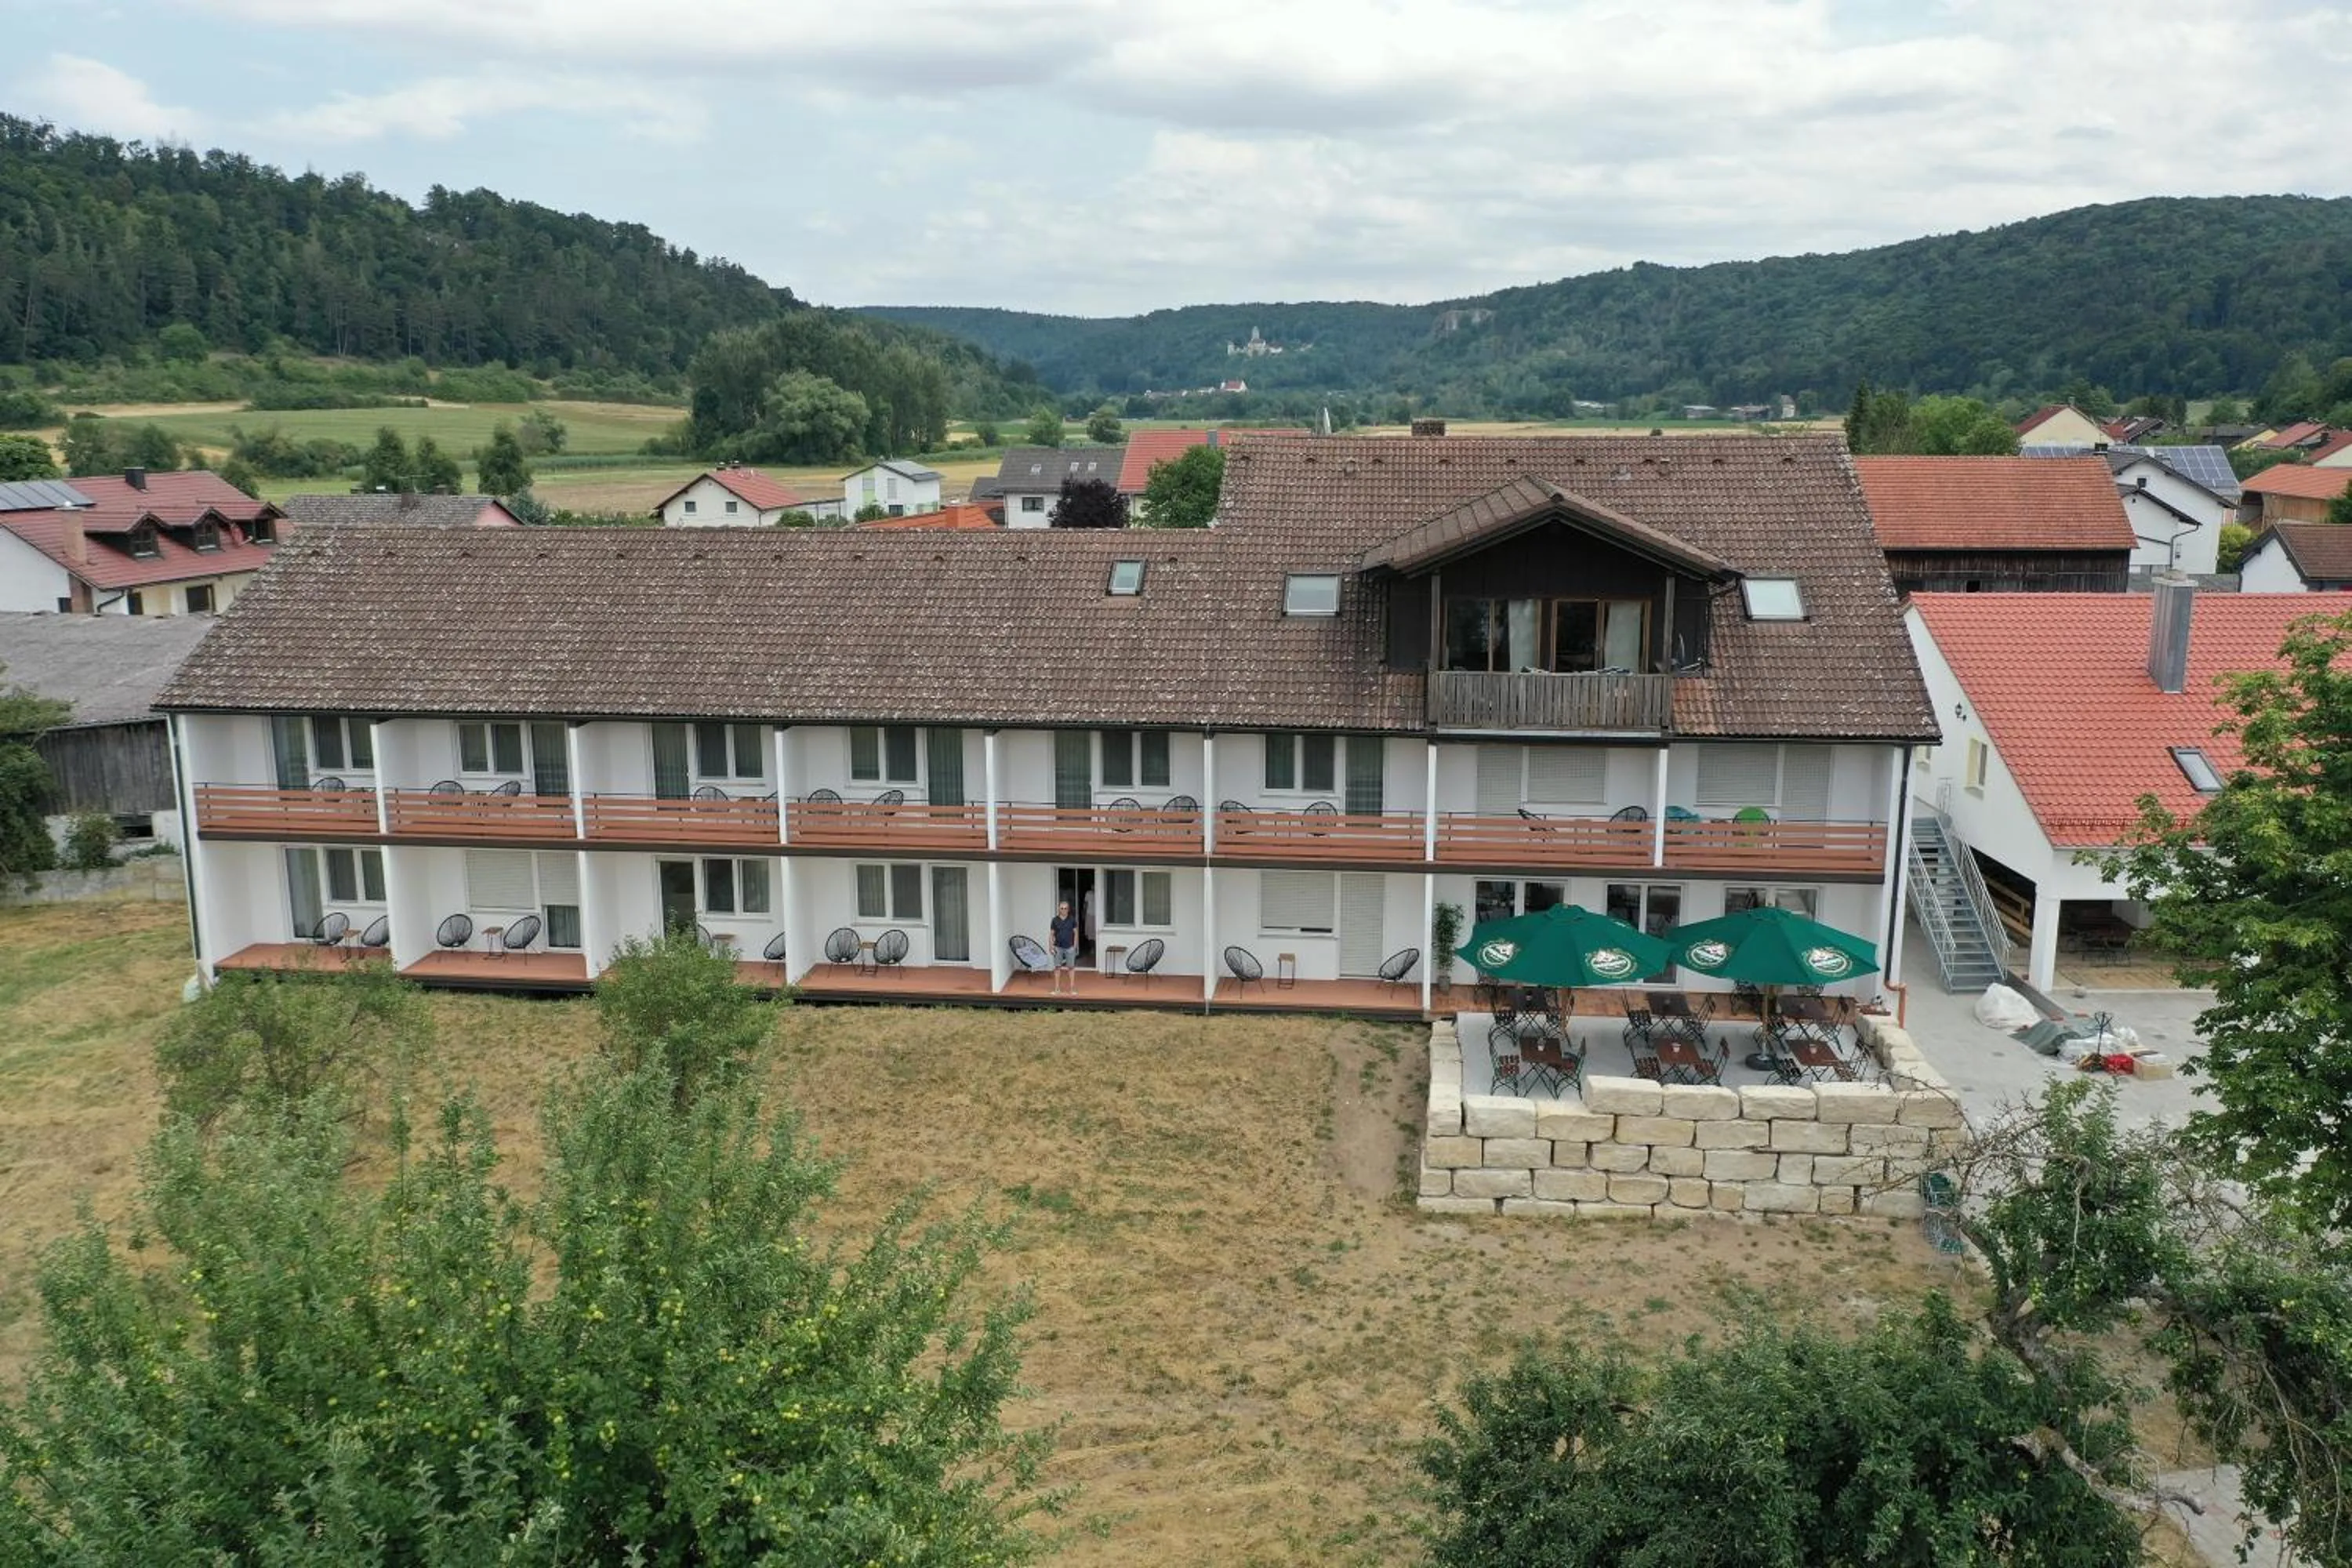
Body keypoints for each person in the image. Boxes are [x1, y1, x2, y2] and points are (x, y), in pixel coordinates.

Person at [1049, 898, 1081, 996]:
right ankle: (1057, 989)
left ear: (1068, 909)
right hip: (1058, 947)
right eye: (1062, 908)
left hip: (1069, 947)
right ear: (1059, 909)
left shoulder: (1072, 920)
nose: (1063, 910)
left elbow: (1076, 933)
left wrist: (1075, 946)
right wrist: (1051, 947)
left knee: (1071, 968)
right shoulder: (1055, 920)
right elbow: (1051, 934)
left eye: (1065, 908)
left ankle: (1072, 989)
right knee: (1057, 968)